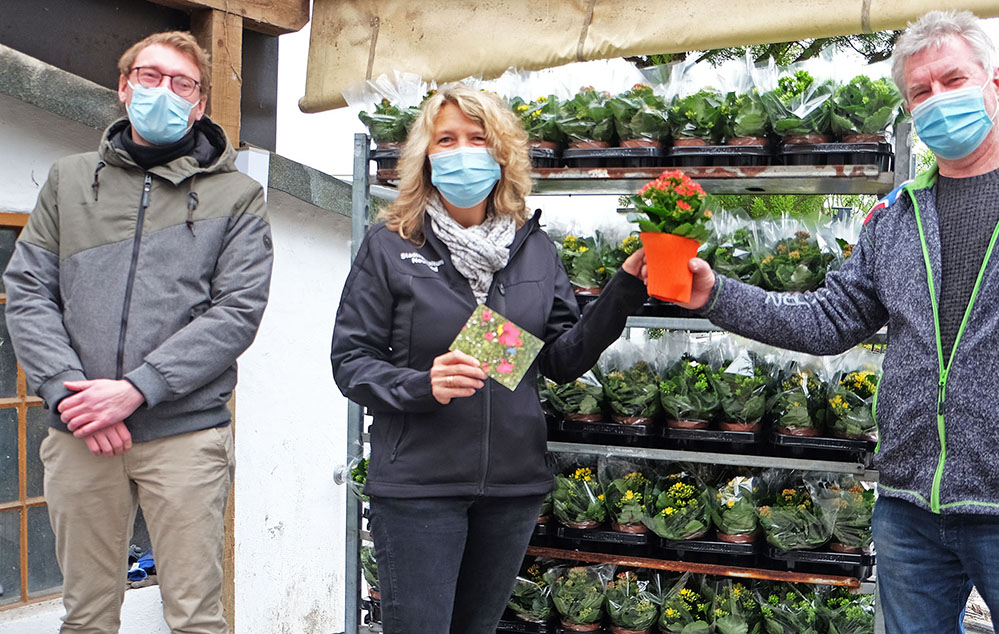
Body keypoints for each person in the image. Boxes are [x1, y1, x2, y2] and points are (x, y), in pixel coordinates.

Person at [656, 10, 999, 634]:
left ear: (996, 81)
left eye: (952, 79)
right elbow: (828, 321)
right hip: (909, 508)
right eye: (920, 93)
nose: (938, 100)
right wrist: (715, 294)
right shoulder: (896, 215)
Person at [330, 84, 648, 634]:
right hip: (419, 487)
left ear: (501, 153)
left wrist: (622, 290)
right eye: (446, 139)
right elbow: (351, 361)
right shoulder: (392, 244)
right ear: (425, 156)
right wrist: (420, 385)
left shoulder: (533, 246)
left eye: (477, 139)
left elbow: (559, 361)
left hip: (510, 487)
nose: (462, 152)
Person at [3, 31, 272, 634]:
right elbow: (27, 291)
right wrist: (72, 393)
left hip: (183, 435)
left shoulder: (236, 196)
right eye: (150, 77)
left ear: (200, 104)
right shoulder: (70, 181)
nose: (164, 92)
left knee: (196, 617)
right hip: (80, 431)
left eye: (183, 84)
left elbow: (237, 310)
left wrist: (137, 389)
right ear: (124, 88)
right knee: (87, 616)